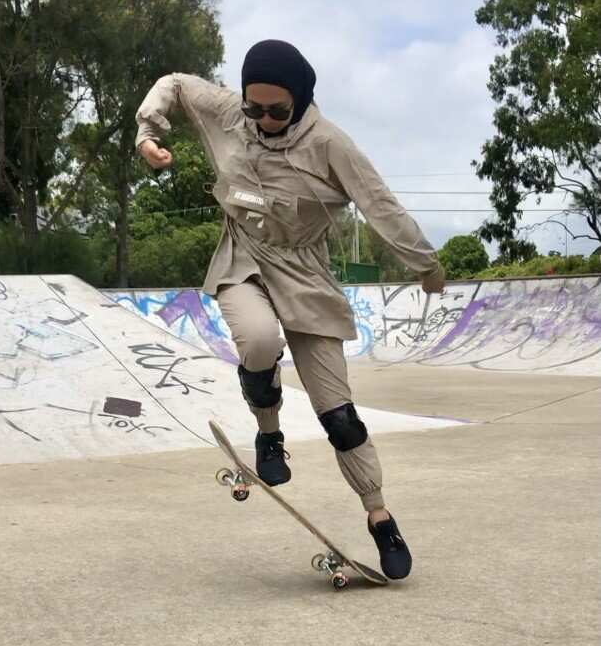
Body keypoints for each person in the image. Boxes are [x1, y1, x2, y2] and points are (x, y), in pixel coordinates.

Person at [135, 39, 446, 579]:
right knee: (258, 341)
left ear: (300, 100)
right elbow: (176, 83)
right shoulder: (230, 112)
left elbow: (380, 205)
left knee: (339, 415)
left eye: (277, 111)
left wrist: (425, 264)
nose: (263, 121)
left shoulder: (330, 144)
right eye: (254, 109)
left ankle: (379, 515)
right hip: (243, 257)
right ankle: (269, 433)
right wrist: (148, 132)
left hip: (306, 275)